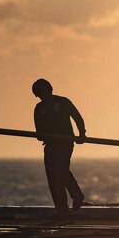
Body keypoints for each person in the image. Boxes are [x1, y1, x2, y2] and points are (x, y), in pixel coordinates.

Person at [33, 78, 88, 218]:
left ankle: (76, 196)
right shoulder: (39, 109)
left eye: (43, 92)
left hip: (65, 143)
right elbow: (39, 133)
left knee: (61, 171)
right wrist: (44, 135)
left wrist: (82, 134)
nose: (42, 96)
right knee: (53, 176)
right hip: (51, 145)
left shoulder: (64, 102)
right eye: (40, 94)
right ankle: (62, 210)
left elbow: (77, 117)